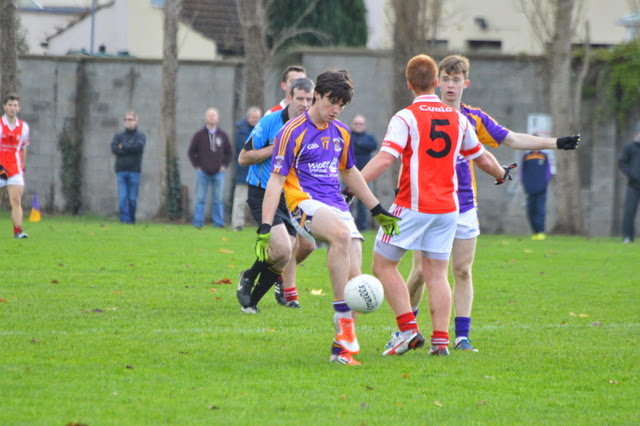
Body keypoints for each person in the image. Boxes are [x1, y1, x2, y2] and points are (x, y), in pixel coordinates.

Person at [403, 54, 580, 352]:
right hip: (429, 203)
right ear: (436, 82)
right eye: (444, 79)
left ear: (465, 84)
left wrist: (555, 143)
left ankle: (461, 336)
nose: (449, 85)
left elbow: (511, 139)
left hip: (463, 204)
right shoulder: (421, 114)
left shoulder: (473, 118)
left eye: (455, 80)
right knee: (421, 271)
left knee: (462, 270)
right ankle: (407, 330)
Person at [359, 54, 511, 357]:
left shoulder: (405, 117)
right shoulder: (458, 118)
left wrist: (354, 183)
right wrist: (501, 173)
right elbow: (482, 158)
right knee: (436, 274)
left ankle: (407, 330)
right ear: (435, 82)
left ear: (409, 84)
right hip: (448, 209)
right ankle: (441, 342)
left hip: (413, 205)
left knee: (382, 264)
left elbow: (385, 158)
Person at [257, 69, 400, 366]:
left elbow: (350, 172)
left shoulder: (342, 133)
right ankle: (340, 315)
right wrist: (265, 225)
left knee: (357, 281)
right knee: (342, 236)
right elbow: (275, 181)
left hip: (336, 204)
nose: (335, 110)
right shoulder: (292, 131)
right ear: (317, 96)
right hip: (303, 202)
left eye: (341, 105)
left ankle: (341, 350)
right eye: (331, 102)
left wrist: (377, 209)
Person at [236, 78, 316, 312]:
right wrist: (276, 147)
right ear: (289, 98)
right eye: (299, 98)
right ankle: (249, 276)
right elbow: (243, 158)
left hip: (290, 195)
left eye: (309, 100)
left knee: (284, 256)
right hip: (262, 191)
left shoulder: (312, 126)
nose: (304, 104)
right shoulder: (271, 120)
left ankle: (251, 303)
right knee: (282, 250)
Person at [187, 108, 232, 228]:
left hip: (219, 173)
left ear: (217, 118)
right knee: (200, 199)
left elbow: (229, 152)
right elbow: (191, 152)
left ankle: (218, 223)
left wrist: (224, 166)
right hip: (203, 173)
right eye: (210, 116)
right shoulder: (199, 135)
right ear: (206, 118)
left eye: (214, 116)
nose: (212, 118)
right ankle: (198, 223)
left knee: (218, 200)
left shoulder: (223, 135)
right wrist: (197, 166)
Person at [0, 94, 30, 239]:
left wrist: (22, 167)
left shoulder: (23, 127)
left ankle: (18, 231)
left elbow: (23, 148)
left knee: (16, 200)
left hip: (14, 167)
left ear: (19, 108)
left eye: (15, 105)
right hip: (0, 166)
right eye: (10, 105)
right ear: (4, 107)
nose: (12, 108)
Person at [110, 111, 146, 224]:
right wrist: (127, 148)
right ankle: (125, 220)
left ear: (136, 121)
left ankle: (131, 219)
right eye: (126, 119)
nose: (127, 122)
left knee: (132, 199)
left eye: (130, 119)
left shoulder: (140, 136)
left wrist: (124, 146)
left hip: (134, 171)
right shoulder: (119, 136)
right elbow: (115, 149)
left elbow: (138, 148)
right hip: (121, 170)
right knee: (122, 198)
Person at [231, 106, 262, 231]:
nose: (255, 120)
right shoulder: (242, 131)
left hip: (257, 172)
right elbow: (249, 147)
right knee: (240, 200)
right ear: (248, 118)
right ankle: (237, 224)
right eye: (253, 117)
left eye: (257, 118)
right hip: (243, 171)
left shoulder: (260, 129)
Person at [349, 114, 378, 231]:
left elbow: (373, 146)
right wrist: (360, 146)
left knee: (363, 201)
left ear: (364, 125)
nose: (358, 126)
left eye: (360, 124)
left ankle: (362, 227)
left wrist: (358, 145)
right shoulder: (348, 136)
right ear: (352, 124)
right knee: (348, 201)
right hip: (349, 174)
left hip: (366, 175)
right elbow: (348, 148)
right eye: (356, 123)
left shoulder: (369, 138)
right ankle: (349, 225)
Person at [521, 149, 553, 240]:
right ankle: (535, 232)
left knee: (540, 210)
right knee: (531, 211)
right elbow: (522, 172)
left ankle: (541, 231)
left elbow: (548, 171)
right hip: (530, 189)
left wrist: (544, 184)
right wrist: (525, 184)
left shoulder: (544, 156)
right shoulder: (526, 157)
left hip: (541, 189)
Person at [618, 122, 640, 243]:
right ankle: (627, 236)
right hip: (633, 185)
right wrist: (631, 175)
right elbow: (622, 163)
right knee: (629, 212)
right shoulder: (630, 148)